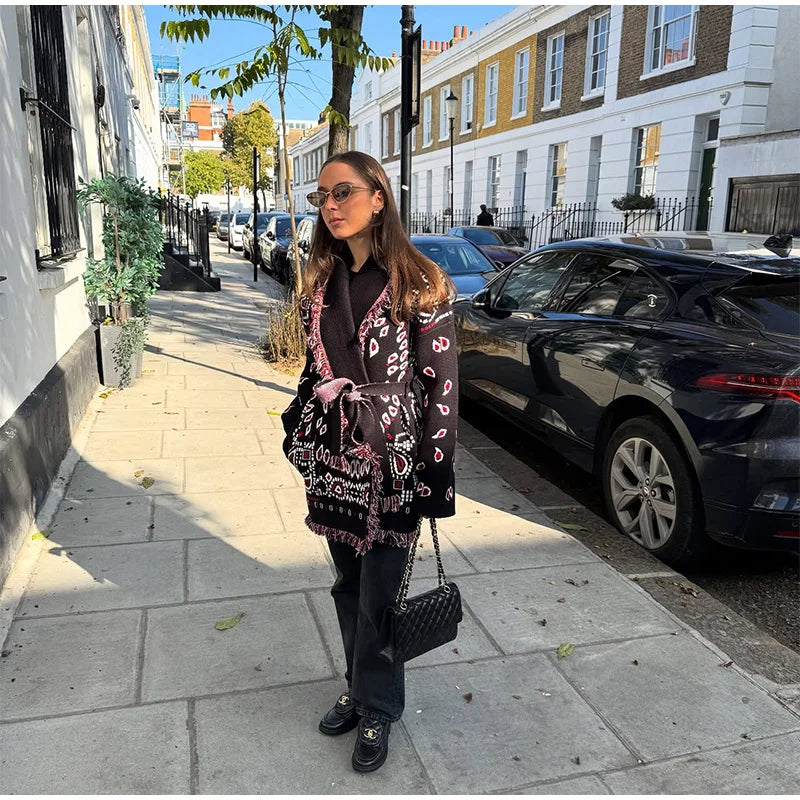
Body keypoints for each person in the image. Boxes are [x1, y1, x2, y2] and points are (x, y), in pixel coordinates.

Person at [280, 151, 458, 773]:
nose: (329, 205)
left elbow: (440, 385)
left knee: (382, 590)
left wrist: (436, 477)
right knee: (348, 583)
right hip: (332, 458)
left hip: (394, 460)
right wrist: (294, 424)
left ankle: (379, 705)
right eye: (321, 197)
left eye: (343, 192)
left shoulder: (420, 283)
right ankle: (358, 686)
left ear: (378, 197)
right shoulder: (320, 285)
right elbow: (313, 368)